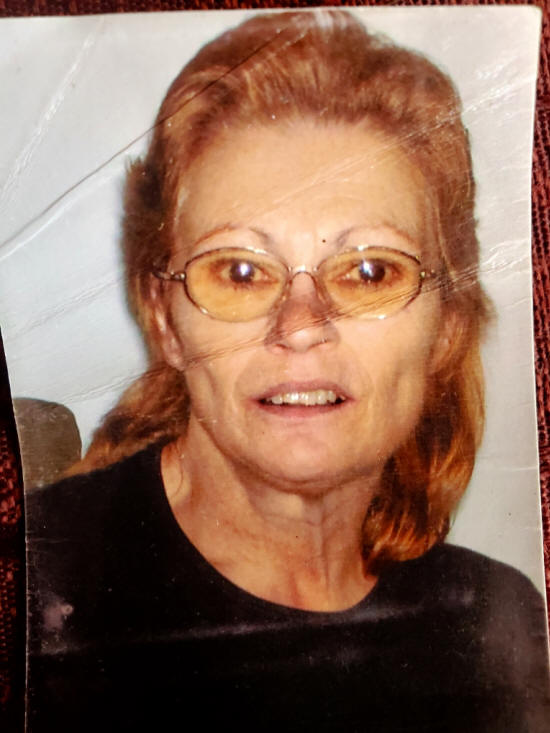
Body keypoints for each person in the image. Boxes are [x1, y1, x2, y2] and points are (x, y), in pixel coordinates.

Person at [26, 10, 550, 731]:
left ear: (447, 326)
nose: (301, 326)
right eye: (239, 271)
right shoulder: (30, 594)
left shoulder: (496, 622)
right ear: (163, 317)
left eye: (370, 271)